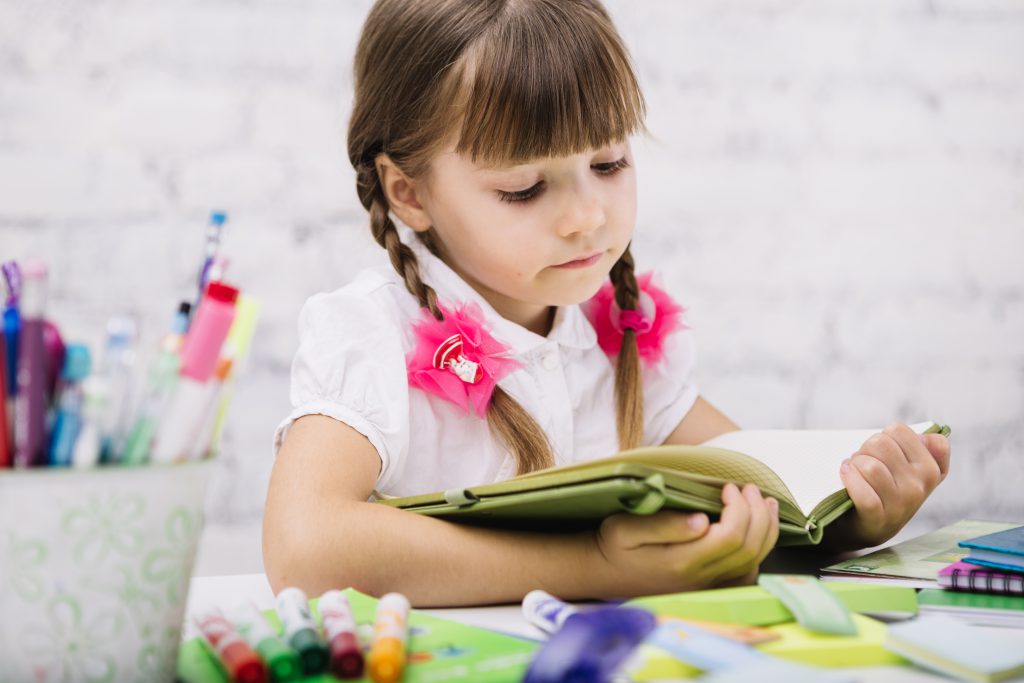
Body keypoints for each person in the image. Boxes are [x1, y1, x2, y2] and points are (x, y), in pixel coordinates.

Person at [263, 0, 951, 607]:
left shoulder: (618, 335)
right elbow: (305, 545)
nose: (587, 218)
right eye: (526, 188)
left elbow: (761, 497)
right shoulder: (374, 331)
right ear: (409, 192)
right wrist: (591, 566)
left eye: (609, 163)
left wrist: (851, 517)